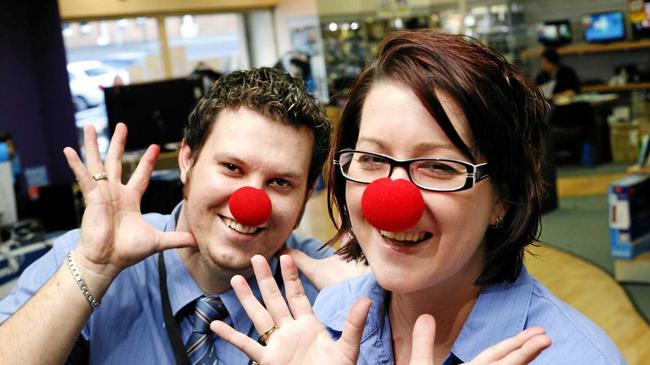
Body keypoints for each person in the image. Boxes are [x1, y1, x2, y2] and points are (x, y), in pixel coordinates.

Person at [211, 30, 625, 364]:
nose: (390, 203)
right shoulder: (325, 318)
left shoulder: (579, 358)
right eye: (371, 159)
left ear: (504, 196)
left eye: (439, 167)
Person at [0, 67, 332, 364]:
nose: (251, 202)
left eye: (280, 182)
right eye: (231, 168)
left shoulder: (331, 289)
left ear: (307, 193)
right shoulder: (85, 255)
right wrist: (92, 269)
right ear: (187, 160)